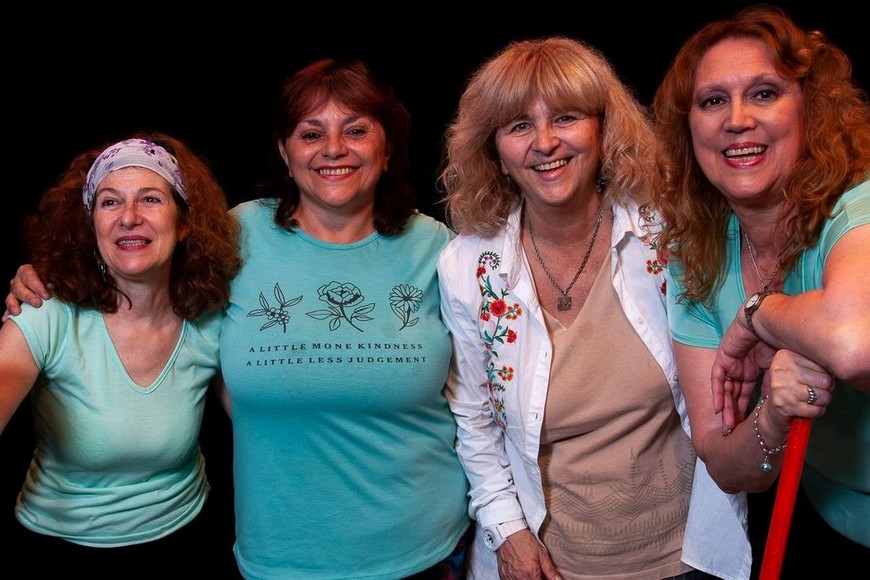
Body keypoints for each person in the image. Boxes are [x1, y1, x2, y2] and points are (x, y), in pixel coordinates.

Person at [5, 61, 471, 579]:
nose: (333, 148)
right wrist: (45, 275)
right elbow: (136, 250)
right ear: (284, 152)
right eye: (310, 133)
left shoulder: (441, 250)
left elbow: (483, 397)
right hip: (280, 553)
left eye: (356, 130)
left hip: (423, 544)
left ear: (387, 149)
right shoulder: (236, 236)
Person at [437, 36, 743, 580]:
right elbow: (474, 420)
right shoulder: (467, 267)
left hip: (684, 556)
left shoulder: (667, 234)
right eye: (518, 126)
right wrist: (508, 532)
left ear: (604, 132)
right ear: (497, 156)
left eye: (567, 117)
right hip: (547, 564)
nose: (545, 142)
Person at [651, 5, 870, 577]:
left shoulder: (860, 207)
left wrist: (759, 315)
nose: (737, 119)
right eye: (713, 101)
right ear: (688, 128)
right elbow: (725, 463)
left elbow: (852, 343)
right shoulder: (697, 254)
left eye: (765, 93)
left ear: (811, 111)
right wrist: (772, 415)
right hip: (834, 521)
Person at [0, 133, 241, 577]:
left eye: (150, 199)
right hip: (58, 544)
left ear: (184, 221)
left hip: (190, 533)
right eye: (110, 203)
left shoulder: (211, 319)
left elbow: (261, 419)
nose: (129, 218)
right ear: (91, 225)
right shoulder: (46, 312)